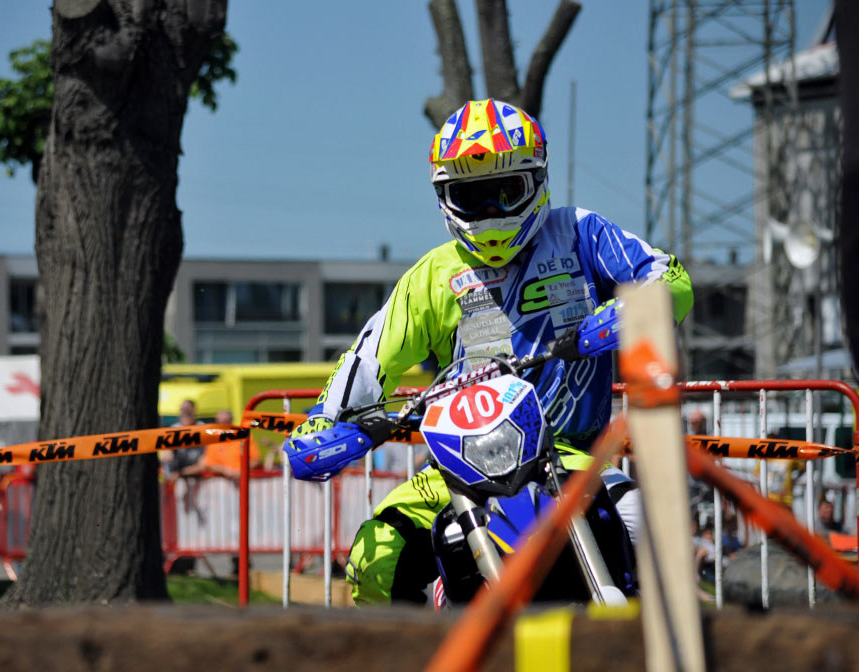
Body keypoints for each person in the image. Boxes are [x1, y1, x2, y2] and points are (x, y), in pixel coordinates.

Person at [285, 99, 693, 605]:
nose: (490, 211)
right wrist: (323, 423)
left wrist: (624, 315)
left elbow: (669, 278)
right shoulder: (434, 274)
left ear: (536, 180)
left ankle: (661, 640)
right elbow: (368, 358)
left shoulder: (579, 233)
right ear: (445, 198)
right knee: (373, 558)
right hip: (454, 468)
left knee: (643, 522)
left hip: (563, 456)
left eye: (505, 191)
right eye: (471, 196)